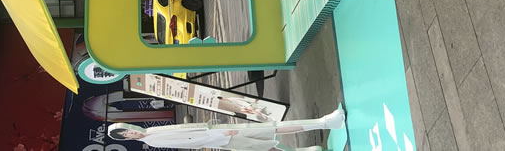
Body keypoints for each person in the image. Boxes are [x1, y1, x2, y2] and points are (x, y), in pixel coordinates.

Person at [108, 105, 345, 151]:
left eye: (127, 129)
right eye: (126, 135)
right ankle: (326, 123)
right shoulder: (152, 139)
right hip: (222, 138)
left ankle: (324, 124)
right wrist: (219, 135)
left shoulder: (150, 133)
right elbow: (191, 141)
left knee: (271, 132)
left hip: (219, 134)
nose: (130, 132)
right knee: (269, 139)